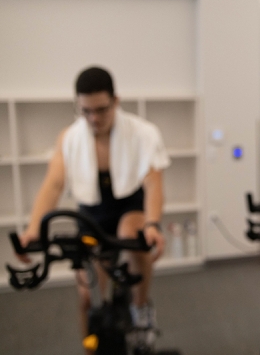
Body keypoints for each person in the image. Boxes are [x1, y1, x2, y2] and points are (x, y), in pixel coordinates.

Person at [17, 66, 170, 353]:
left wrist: (153, 224)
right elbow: (53, 184)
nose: (93, 118)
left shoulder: (143, 132)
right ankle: (91, 346)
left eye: (101, 110)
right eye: (85, 111)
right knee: (87, 294)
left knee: (132, 234)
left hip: (130, 207)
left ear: (116, 101)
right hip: (91, 214)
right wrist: (33, 230)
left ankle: (141, 310)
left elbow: (153, 182)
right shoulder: (70, 137)